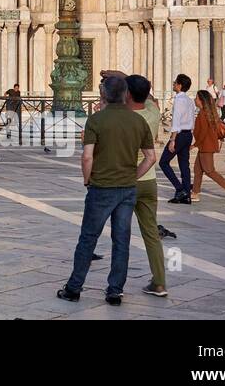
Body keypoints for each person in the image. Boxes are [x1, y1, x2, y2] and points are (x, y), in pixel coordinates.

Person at [57, 73, 156, 305]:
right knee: (121, 239)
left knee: (88, 238)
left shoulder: (96, 120)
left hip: (101, 187)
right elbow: (150, 158)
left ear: (103, 95)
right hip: (127, 188)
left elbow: (87, 157)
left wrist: (86, 180)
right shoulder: (138, 121)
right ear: (125, 95)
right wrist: (133, 176)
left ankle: (74, 288)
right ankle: (115, 291)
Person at [122, 72, 168, 297]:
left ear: (127, 94)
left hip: (126, 181)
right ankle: (159, 282)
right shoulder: (153, 112)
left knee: (121, 234)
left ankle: (116, 286)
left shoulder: (124, 118)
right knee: (151, 233)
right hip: (148, 181)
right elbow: (148, 98)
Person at [190, 89, 225, 204]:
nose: (195, 100)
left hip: (206, 146)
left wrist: (194, 145)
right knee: (198, 169)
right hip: (206, 145)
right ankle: (195, 193)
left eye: (196, 98)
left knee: (209, 170)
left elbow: (202, 132)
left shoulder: (203, 114)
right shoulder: (207, 112)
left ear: (201, 100)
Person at [159, 74, 195, 204]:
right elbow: (192, 119)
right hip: (188, 135)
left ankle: (180, 189)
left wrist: (172, 140)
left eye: (175, 83)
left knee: (163, 162)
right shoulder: (189, 100)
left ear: (179, 85)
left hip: (179, 135)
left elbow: (176, 121)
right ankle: (186, 195)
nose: (173, 84)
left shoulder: (179, 100)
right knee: (184, 165)